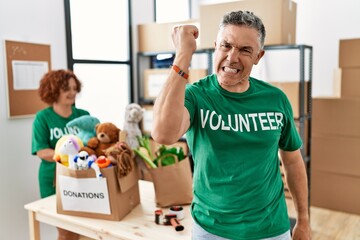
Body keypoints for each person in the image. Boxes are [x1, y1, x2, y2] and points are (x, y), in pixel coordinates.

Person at [151, 11, 311, 240]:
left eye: (245, 50)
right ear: (216, 46)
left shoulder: (276, 99)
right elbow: (162, 133)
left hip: (270, 229)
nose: (232, 57)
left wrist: (303, 220)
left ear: (258, 56)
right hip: (211, 230)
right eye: (226, 45)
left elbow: (293, 161)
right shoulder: (196, 97)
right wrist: (183, 54)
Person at [32, 69, 89, 240]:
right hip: (53, 179)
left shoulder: (84, 116)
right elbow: (41, 151)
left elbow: (94, 144)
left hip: (81, 178)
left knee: (83, 227)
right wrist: (67, 155)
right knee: (65, 230)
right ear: (53, 90)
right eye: (66, 88)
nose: (72, 93)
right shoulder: (43, 118)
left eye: (74, 88)